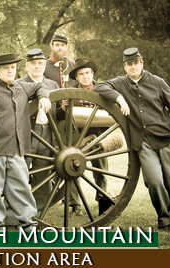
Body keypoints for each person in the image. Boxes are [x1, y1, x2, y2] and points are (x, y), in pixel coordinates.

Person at [94, 48, 170, 231]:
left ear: (142, 63)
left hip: (165, 139)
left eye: (136, 63)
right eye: (129, 64)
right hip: (143, 143)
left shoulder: (157, 82)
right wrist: (119, 97)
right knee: (154, 182)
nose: (133, 66)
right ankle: (164, 220)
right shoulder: (120, 83)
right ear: (125, 66)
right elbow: (99, 86)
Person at [0, 53, 51, 232]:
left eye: (13, 68)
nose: (10, 71)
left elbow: (40, 86)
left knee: (21, 189)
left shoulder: (20, 87)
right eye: (6, 68)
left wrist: (44, 96)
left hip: (15, 149)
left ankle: (29, 225)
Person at [3, 49, 59, 224]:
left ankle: (35, 212)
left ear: (44, 65)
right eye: (33, 63)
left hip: (47, 135)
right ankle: (11, 215)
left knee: (43, 176)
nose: (37, 67)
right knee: (18, 174)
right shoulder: (18, 84)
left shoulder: (53, 85)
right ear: (27, 66)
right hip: (26, 135)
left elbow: (59, 113)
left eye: (40, 63)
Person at [65, 58, 110, 216]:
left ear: (92, 74)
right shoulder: (69, 92)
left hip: (97, 138)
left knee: (101, 172)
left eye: (87, 73)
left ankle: (103, 206)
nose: (85, 76)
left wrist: (100, 133)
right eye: (81, 74)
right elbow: (60, 117)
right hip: (77, 139)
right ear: (76, 78)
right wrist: (63, 108)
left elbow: (112, 116)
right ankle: (75, 206)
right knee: (70, 169)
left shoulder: (103, 90)